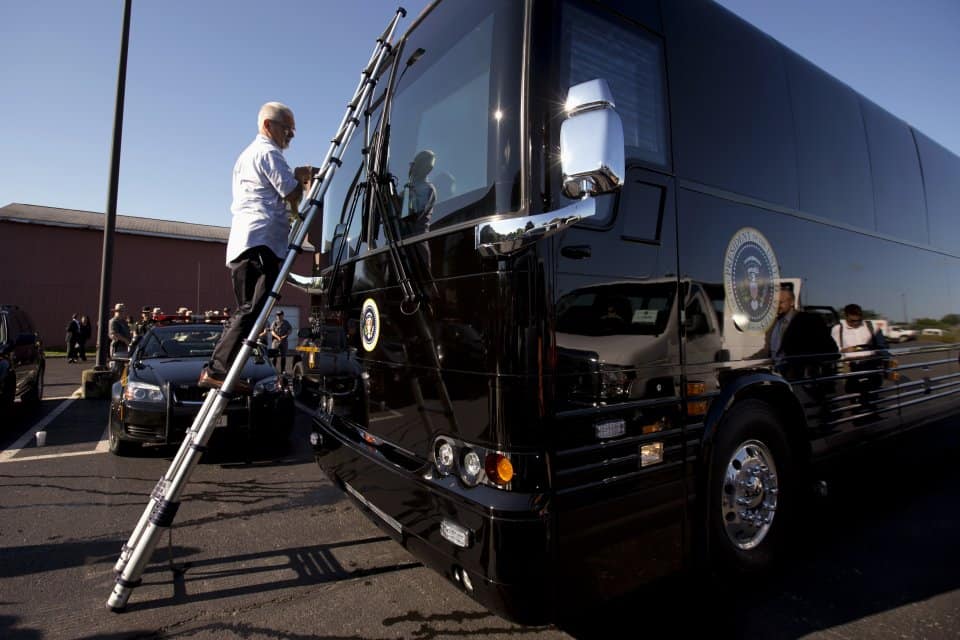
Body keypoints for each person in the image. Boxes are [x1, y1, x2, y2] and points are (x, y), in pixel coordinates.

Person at [200, 101, 314, 393]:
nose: (291, 136)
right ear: (268, 125)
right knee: (253, 309)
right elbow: (290, 193)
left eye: (293, 131)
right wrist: (303, 177)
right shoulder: (268, 152)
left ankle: (222, 369)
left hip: (248, 241)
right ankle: (217, 369)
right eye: (287, 129)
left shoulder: (248, 156)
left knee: (249, 310)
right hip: (261, 241)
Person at [762, 286, 837, 380]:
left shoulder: (809, 320)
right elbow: (770, 350)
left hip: (801, 380)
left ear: (792, 302)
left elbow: (830, 350)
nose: (776, 306)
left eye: (780, 302)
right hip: (778, 377)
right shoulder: (774, 323)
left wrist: (806, 366)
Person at [831, 303, 887, 394]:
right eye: (852, 321)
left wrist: (882, 358)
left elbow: (882, 345)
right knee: (853, 393)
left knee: (873, 393)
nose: (856, 323)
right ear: (846, 316)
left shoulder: (871, 326)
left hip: (870, 364)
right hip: (850, 366)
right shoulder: (838, 329)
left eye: (858, 320)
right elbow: (834, 349)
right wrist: (844, 351)